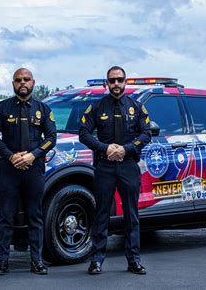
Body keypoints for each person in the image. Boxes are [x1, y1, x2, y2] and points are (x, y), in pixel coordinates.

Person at [79, 66, 152, 275]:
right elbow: (83, 133)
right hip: (105, 166)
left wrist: (126, 149)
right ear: (107, 83)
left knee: (132, 215)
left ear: (125, 81)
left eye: (120, 80)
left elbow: (146, 134)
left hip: (128, 166)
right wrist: (105, 148)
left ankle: (134, 261)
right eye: (112, 80)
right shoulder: (96, 107)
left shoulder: (136, 107)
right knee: (101, 214)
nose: (116, 84)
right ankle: (97, 261)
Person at [0, 68, 57, 275]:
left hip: (33, 169)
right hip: (9, 169)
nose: (22, 83)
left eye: (26, 79)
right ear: (13, 84)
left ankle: (37, 262)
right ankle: (2, 262)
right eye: (18, 80)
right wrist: (11, 156)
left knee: (35, 216)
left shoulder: (43, 109)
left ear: (33, 83)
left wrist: (32, 155)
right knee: (5, 217)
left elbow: (51, 137)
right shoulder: (1, 108)